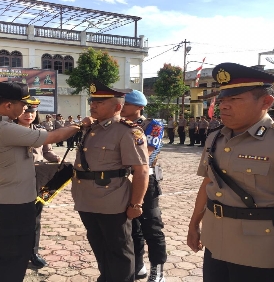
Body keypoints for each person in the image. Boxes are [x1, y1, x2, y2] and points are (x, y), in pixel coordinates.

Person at [186, 63, 274, 282]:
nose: (224, 106)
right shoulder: (215, 138)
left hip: (260, 253)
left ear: (266, 102)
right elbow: (208, 185)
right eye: (222, 100)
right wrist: (194, 224)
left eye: (235, 99)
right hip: (215, 244)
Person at [0, 81, 80, 282]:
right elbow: (53, 136)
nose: (26, 108)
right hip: (14, 203)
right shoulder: (3, 128)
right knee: (13, 257)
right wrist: (79, 125)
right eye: (23, 104)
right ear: (7, 105)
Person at [71, 80, 149, 282]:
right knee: (98, 245)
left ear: (117, 106)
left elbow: (141, 171)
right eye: (92, 101)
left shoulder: (128, 131)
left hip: (113, 201)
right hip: (86, 199)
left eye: (99, 102)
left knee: (120, 250)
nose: (93, 105)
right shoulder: (90, 128)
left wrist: (136, 204)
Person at [121, 90, 167, 282]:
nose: (122, 107)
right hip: (124, 179)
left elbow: (146, 152)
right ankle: (138, 265)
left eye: (126, 104)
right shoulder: (120, 124)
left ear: (139, 107)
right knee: (132, 226)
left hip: (146, 179)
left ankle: (158, 270)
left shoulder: (153, 125)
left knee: (152, 225)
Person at [15, 98, 61, 268]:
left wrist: (56, 159)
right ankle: (14, 252)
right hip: (17, 181)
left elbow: (47, 152)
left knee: (35, 218)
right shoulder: (11, 131)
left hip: (39, 179)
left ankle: (33, 252)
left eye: (32, 112)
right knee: (15, 219)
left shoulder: (41, 132)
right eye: (26, 111)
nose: (29, 115)